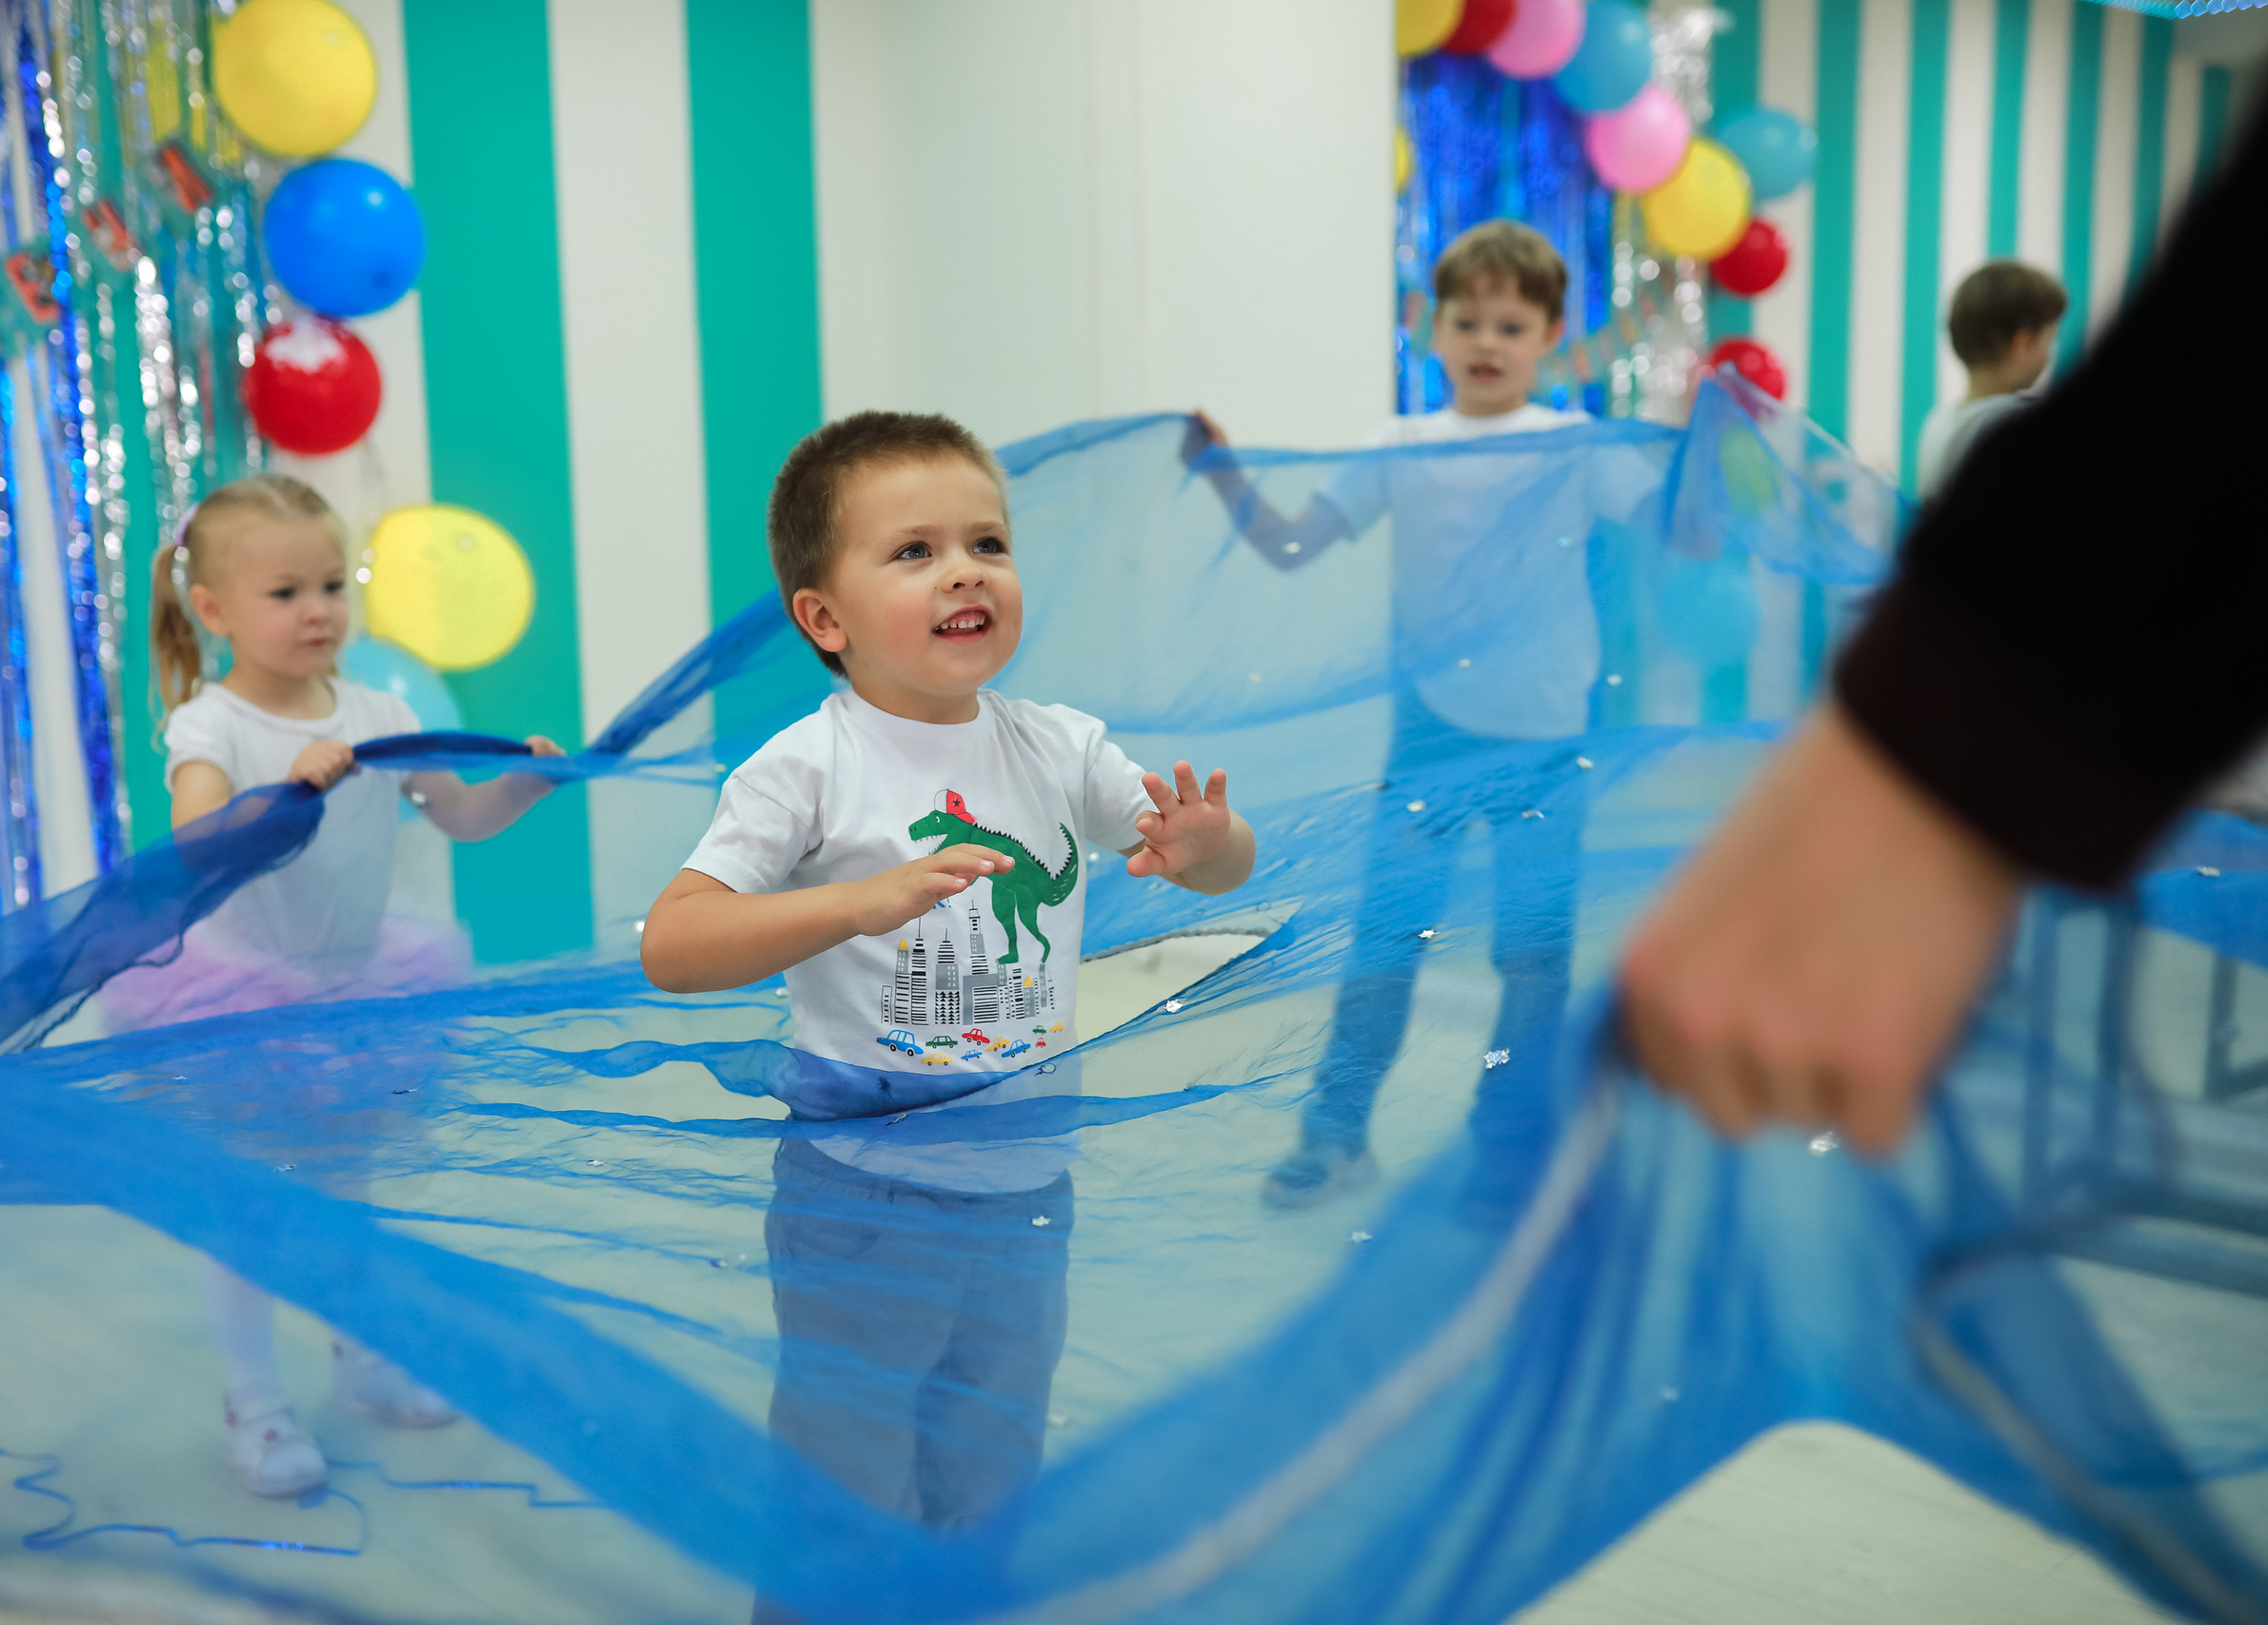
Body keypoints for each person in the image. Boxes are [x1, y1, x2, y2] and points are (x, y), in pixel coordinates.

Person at [640, 411, 1255, 1601]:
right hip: (862, 1189)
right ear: (825, 618)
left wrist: (1209, 841)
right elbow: (675, 942)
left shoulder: (1060, 747)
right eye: (912, 552)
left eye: (987, 543)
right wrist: (853, 904)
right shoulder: (806, 768)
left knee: (991, 1466)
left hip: (1026, 1179)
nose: (965, 569)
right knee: (848, 1469)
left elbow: (1220, 871)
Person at [1624, 109, 2268, 1153]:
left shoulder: (1946, 421)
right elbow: (2112, 518)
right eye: (2047, 339)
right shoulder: (2006, 427)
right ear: (2022, 341)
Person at [122, 475, 567, 1497]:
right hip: (240, 1005)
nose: (318, 609)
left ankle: (362, 1359)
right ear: (216, 610)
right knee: (247, 1212)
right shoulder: (212, 723)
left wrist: (524, 785)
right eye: (285, 593)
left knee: (346, 1197)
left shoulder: (380, 711)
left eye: (331, 584)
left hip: (361, 993)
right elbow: (195, 845)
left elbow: (458, 815)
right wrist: (289, 793)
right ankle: (255, 1404)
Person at [1185, 220, 1641, 1209]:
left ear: (1550, 337)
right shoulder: (1400, 445)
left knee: (1532, 958)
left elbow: (1673, 521)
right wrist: (1226, 477)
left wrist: (1722, 456)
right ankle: (1335, 1134)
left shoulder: (1575, 445)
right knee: (1385, 944)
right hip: (1429, 735)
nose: (1485, 341)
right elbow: (1294, 546)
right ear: (1431, 331)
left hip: (1546, 738)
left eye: (1511, 325)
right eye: (1465, 319)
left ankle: (1509, 1147)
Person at [1915, 260, 2066, 497]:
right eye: (2050, 338)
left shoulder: (1935, 424)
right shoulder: (2015, 421)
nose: (2051, 351)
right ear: (2022, 345)